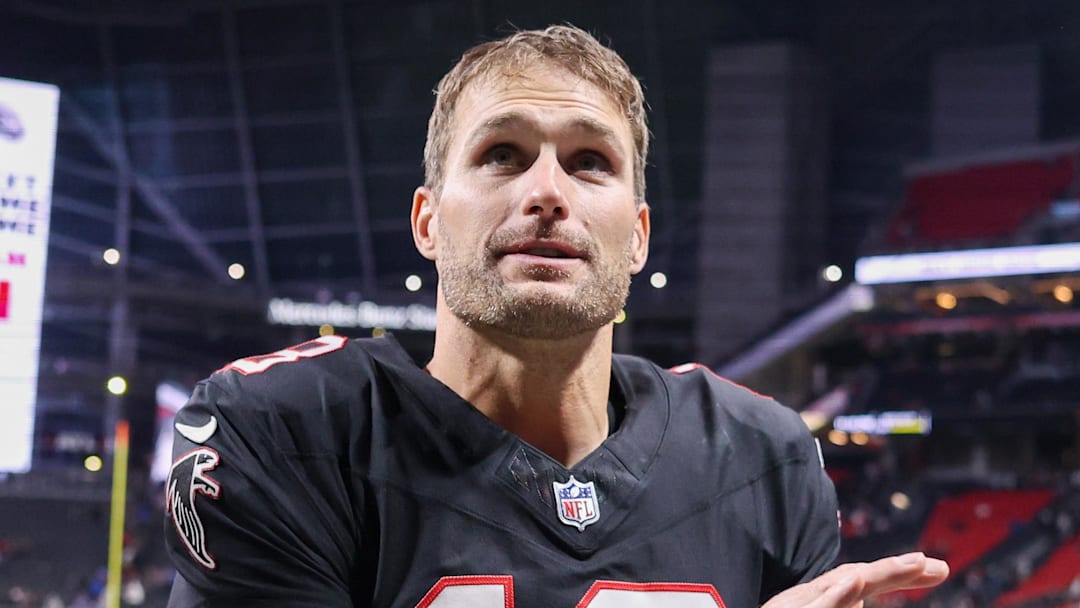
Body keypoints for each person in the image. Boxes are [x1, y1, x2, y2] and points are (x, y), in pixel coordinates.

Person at [164, 24, 948, 607]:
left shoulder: (761, 457)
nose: (547, 191)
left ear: (638, 235)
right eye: (501, 153)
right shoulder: (284, 432)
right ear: (428, 220)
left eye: (590, 162)